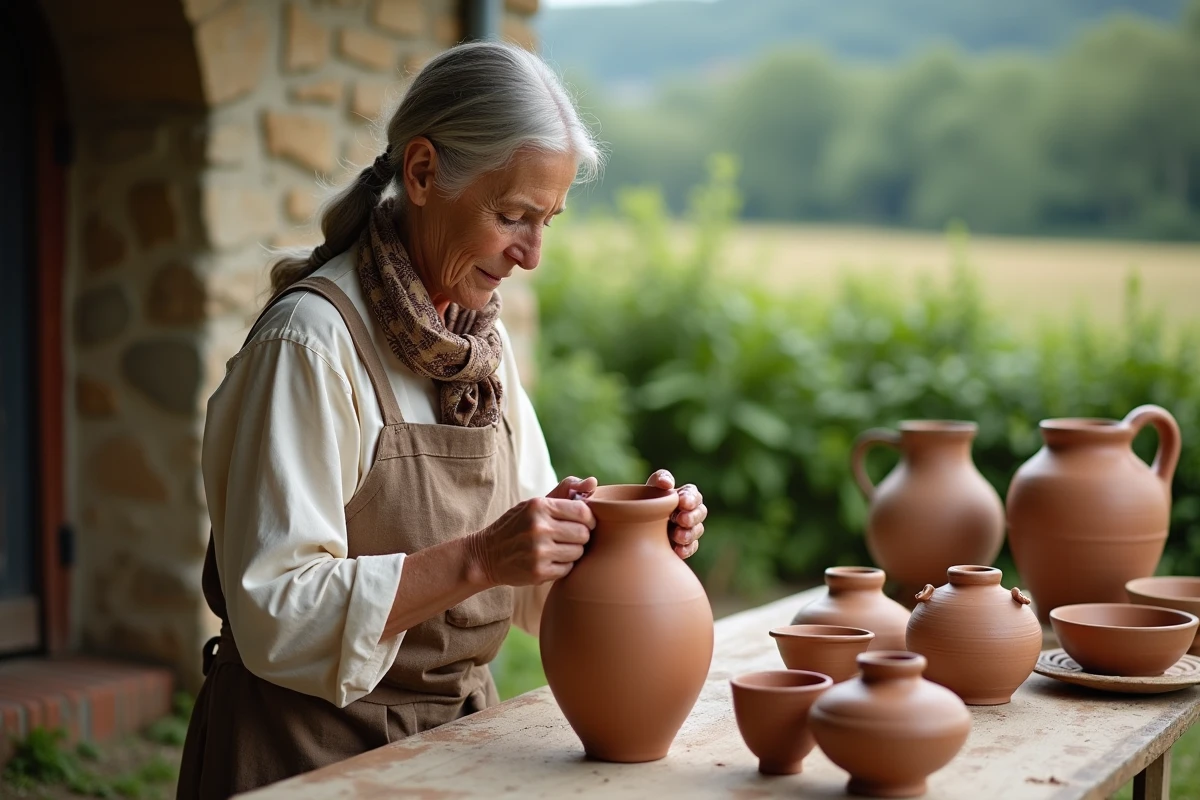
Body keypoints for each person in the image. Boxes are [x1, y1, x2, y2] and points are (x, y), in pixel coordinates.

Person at [177, 41, 708, 798]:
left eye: (548, 221)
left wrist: (626, 539)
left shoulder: (477, 349)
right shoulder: (309, 345)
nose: (531, 255)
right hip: (305, 759)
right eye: (513, 215)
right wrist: (480, 559)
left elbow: (535, 594)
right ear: (423, 173)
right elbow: (275, 613)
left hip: (454, 748)